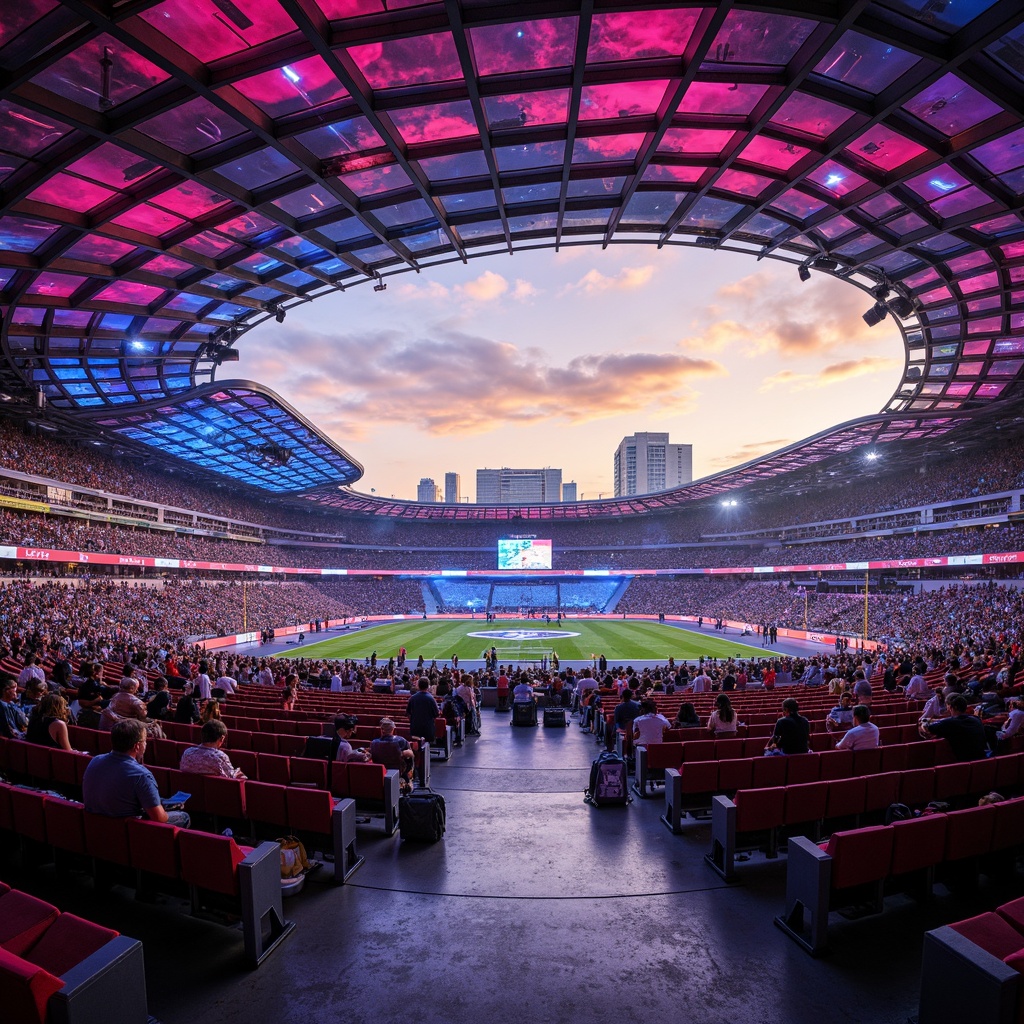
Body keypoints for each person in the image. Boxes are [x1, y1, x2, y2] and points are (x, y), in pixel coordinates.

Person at [83, 719, 190, 828]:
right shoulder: (141, 775)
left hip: (94, 828)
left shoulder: (95, 760)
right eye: (145, 740)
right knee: (184, 816)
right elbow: (159, 818)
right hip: (125, 831)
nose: (146, 743)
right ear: (137, 746)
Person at [919, 693, 987, 761]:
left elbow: (927, 729)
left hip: (963, 763)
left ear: (950, 707)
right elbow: (954, 720)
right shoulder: (976, 719)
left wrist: (923, 723)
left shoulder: (948, 723)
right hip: (983, 761)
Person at [180, 720, 246, 779]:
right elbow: (231, 779)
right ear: (222, 738)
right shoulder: (220, 757)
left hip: (188, 791)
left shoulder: (187, 752)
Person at [370, 718, 415, 793]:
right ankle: (408, 781)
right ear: (393, 729)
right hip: (398, 771)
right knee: (410, 757)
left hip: (380, 773)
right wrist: (403, 753)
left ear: (381, 730)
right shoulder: (401, 740)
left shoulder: (374, 743)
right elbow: (411, 754)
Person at [406, 677, 440, 746]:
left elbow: (408, 713)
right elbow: (437, 714)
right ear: (428, 686)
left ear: (418, 685)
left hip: (415, 728)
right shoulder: (431, 698)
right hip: (428, 729)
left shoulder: (412, 698)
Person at [0, 673, 28, 739]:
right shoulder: (2, 708)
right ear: (6, 690)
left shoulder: (12, 704)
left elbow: (24, 722)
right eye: (14, 688)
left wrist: (17, 704)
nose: (16, 691)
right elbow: (10, 732)